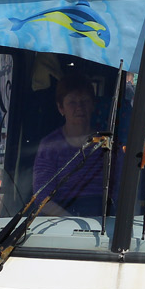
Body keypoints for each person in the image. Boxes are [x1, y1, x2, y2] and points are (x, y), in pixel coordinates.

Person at [30, 72, 108, 217]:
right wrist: (70, 222)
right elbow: (42, 196)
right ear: (61, 108)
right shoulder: (49, 146)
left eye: (84, 101)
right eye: (72, 102)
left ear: (93, 105)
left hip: (104, 221)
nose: (79, 107)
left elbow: (120, 192)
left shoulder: (108, 145)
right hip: (62, 220)